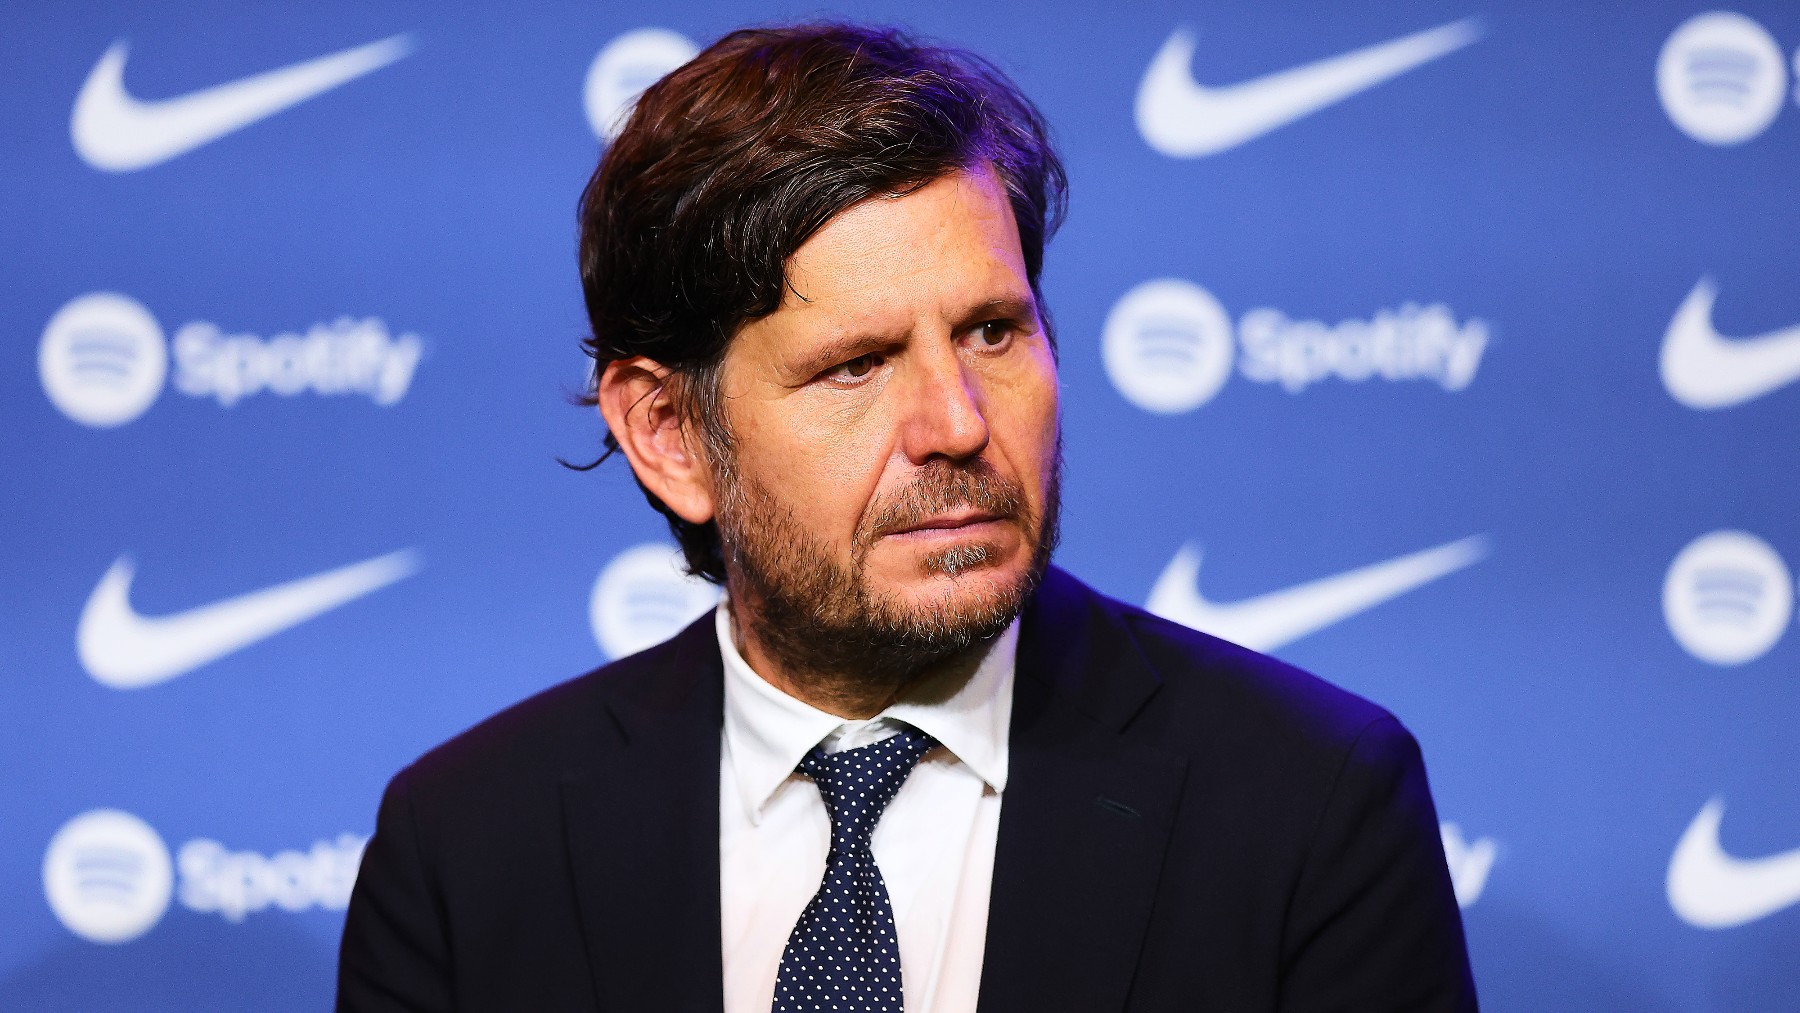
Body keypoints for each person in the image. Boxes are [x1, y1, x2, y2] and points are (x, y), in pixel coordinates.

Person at [337, 22, 1477, 1013]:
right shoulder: (471, 847)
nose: (957, 422)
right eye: (856, 364)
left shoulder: (1308, 803)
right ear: (672, 437)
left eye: (993, 331)